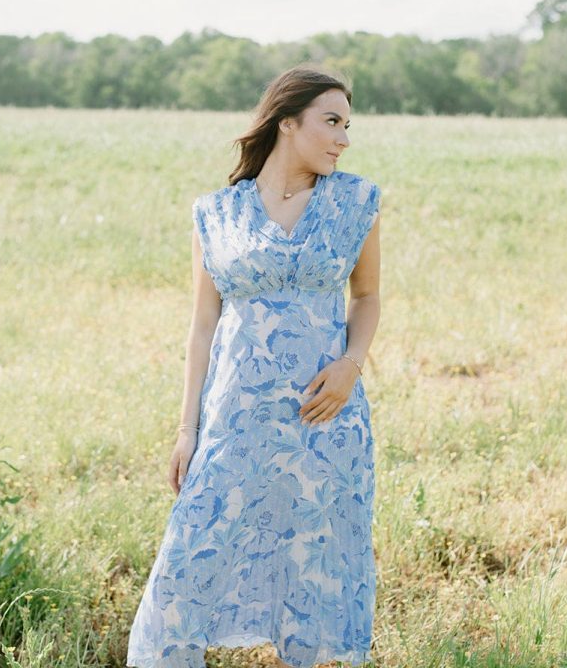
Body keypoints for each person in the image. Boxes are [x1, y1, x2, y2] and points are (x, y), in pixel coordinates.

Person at [126, 65, 382, 668]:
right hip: (234, 420)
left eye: (348, 125)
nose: (343, 138)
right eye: (332, 122)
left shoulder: (355, 202)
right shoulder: (216, 213)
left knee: (315, 566)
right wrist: (186, 431)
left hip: (325, 419)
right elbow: (202, 326)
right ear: (286, 123)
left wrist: (351, 364)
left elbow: (366, 297)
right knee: (187, 566)